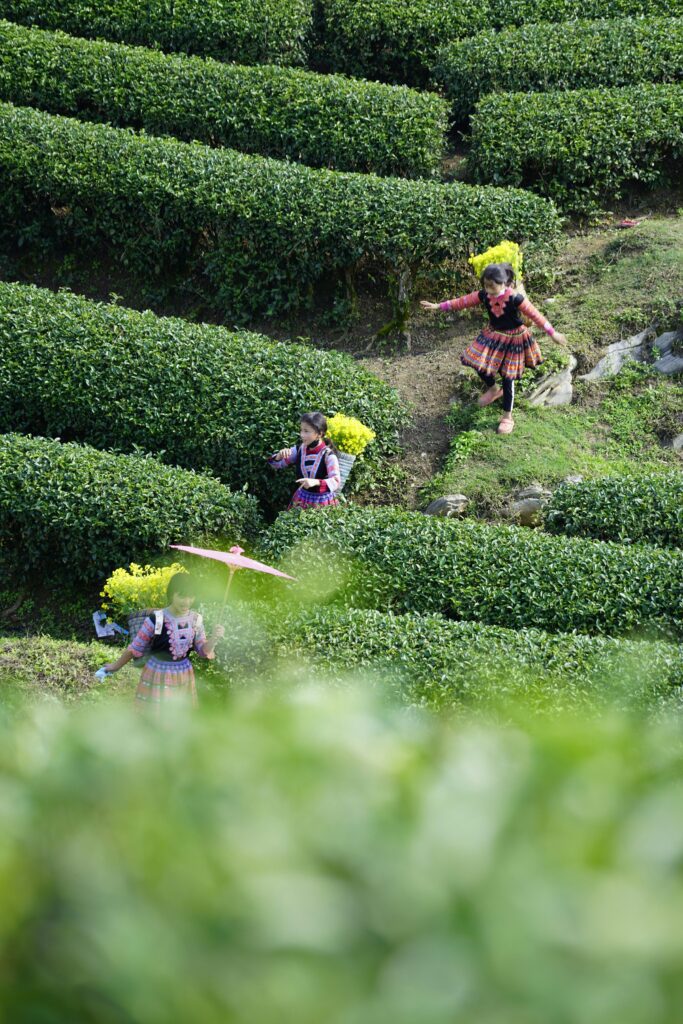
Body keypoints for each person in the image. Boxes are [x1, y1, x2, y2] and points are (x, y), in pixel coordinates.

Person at [421, 262, 567, 435]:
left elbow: (536, 315)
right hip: (493, 335)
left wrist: (553, 333)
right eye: (486, 285)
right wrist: (439, 306)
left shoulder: (515, 298)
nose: (488, 290)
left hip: (514, 339)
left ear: (504, 283)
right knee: (476, 363)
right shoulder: (484, 295)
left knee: (508, 377)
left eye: (492, 286)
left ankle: (507, 416)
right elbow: (463, 302)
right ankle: (492, 389)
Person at [101, 572, 224, 713]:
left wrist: (214, 638)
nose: (187, 601)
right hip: (157, 674)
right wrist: (114, 666)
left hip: (183, 675)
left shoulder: (196, 620)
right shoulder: (157, 619)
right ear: (172, 594)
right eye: (182, 596)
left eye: (191, 596)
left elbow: (203, 651)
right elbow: (135, 648)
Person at [268, 411, 341, 509]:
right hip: (301, 499)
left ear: (319, 434)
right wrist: (279, 456)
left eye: (306, 431)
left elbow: (336, 481)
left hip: (322, 503)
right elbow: (276, 465)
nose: (302, 435)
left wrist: (316, 482)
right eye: (301, 430)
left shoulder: (328, 456)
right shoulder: (299, 450)